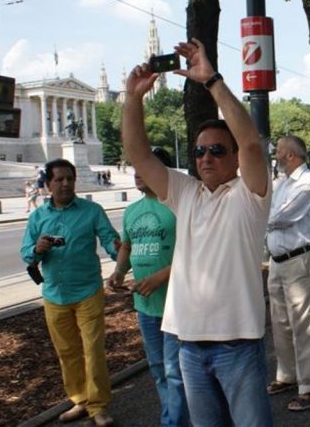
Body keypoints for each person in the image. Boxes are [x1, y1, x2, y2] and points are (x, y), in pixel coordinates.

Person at [121, 37, 273, 426]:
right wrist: (133, 99)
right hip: (186, 345)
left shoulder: (249, 194)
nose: (206, 157)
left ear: (235, 158)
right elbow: (139, 155)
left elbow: (253, 144)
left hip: (237, 346)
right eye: (200, 151)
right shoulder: (184, 192)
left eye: (218, 150)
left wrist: (212, 81)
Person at [20, 159, 120, 426]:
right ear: (49, 185)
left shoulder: (92, 211)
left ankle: (98, 406)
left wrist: (121, 253)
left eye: (69, 179)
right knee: (67, 352)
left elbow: (110, 239)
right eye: (59, 180)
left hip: (88, 290)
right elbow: (26, 252)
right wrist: (38, 250)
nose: (65, 184)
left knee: (93, 349)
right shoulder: (38, 217)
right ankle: (80, 400)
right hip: (54, 294)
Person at [107, 148, 189, 426]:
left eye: (145, 167)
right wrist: (119, 271)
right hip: (145, 307)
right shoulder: (132, 211)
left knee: (174, 370)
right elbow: (127, 245)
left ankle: (174, 422)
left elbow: (194, 252)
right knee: (158, 369)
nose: (138, 174)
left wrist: (161, 277)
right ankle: (173, 417)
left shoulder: (179, 206)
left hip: (176, 303)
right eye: (136, 169)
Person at [265, 135, 310, 411]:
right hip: (278, 262)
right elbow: (272, 213)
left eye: (278, 151)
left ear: (291, 155)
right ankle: (287, 376)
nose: (275, 155)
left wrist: (260, 218)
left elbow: (281, 217)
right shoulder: (283, 183)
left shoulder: (309, 183)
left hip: (299, 260)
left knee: (303, 324)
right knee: (280, 322)